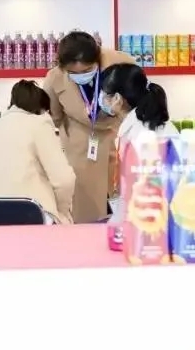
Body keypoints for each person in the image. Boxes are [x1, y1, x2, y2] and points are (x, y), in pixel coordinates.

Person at [42, 30, 135, 224]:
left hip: (118, 136)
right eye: (74, 73)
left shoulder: (122, 64)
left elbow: (137, 99)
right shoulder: (54, 78)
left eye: (87, 70)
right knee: (86, 211)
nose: (81, 76)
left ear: (97, 58)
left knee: (125, 204)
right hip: (80, 147)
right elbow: (54, 117)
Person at [0, 80, 76, 223]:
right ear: (43, 110)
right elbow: (64, 179)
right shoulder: (39, 124)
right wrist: (61, 213)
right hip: (28, 217)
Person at [98, 62, 178, 142]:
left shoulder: (137, 134)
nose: (100, 98)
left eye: (103, 94)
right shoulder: (143, 121)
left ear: (117, 99)